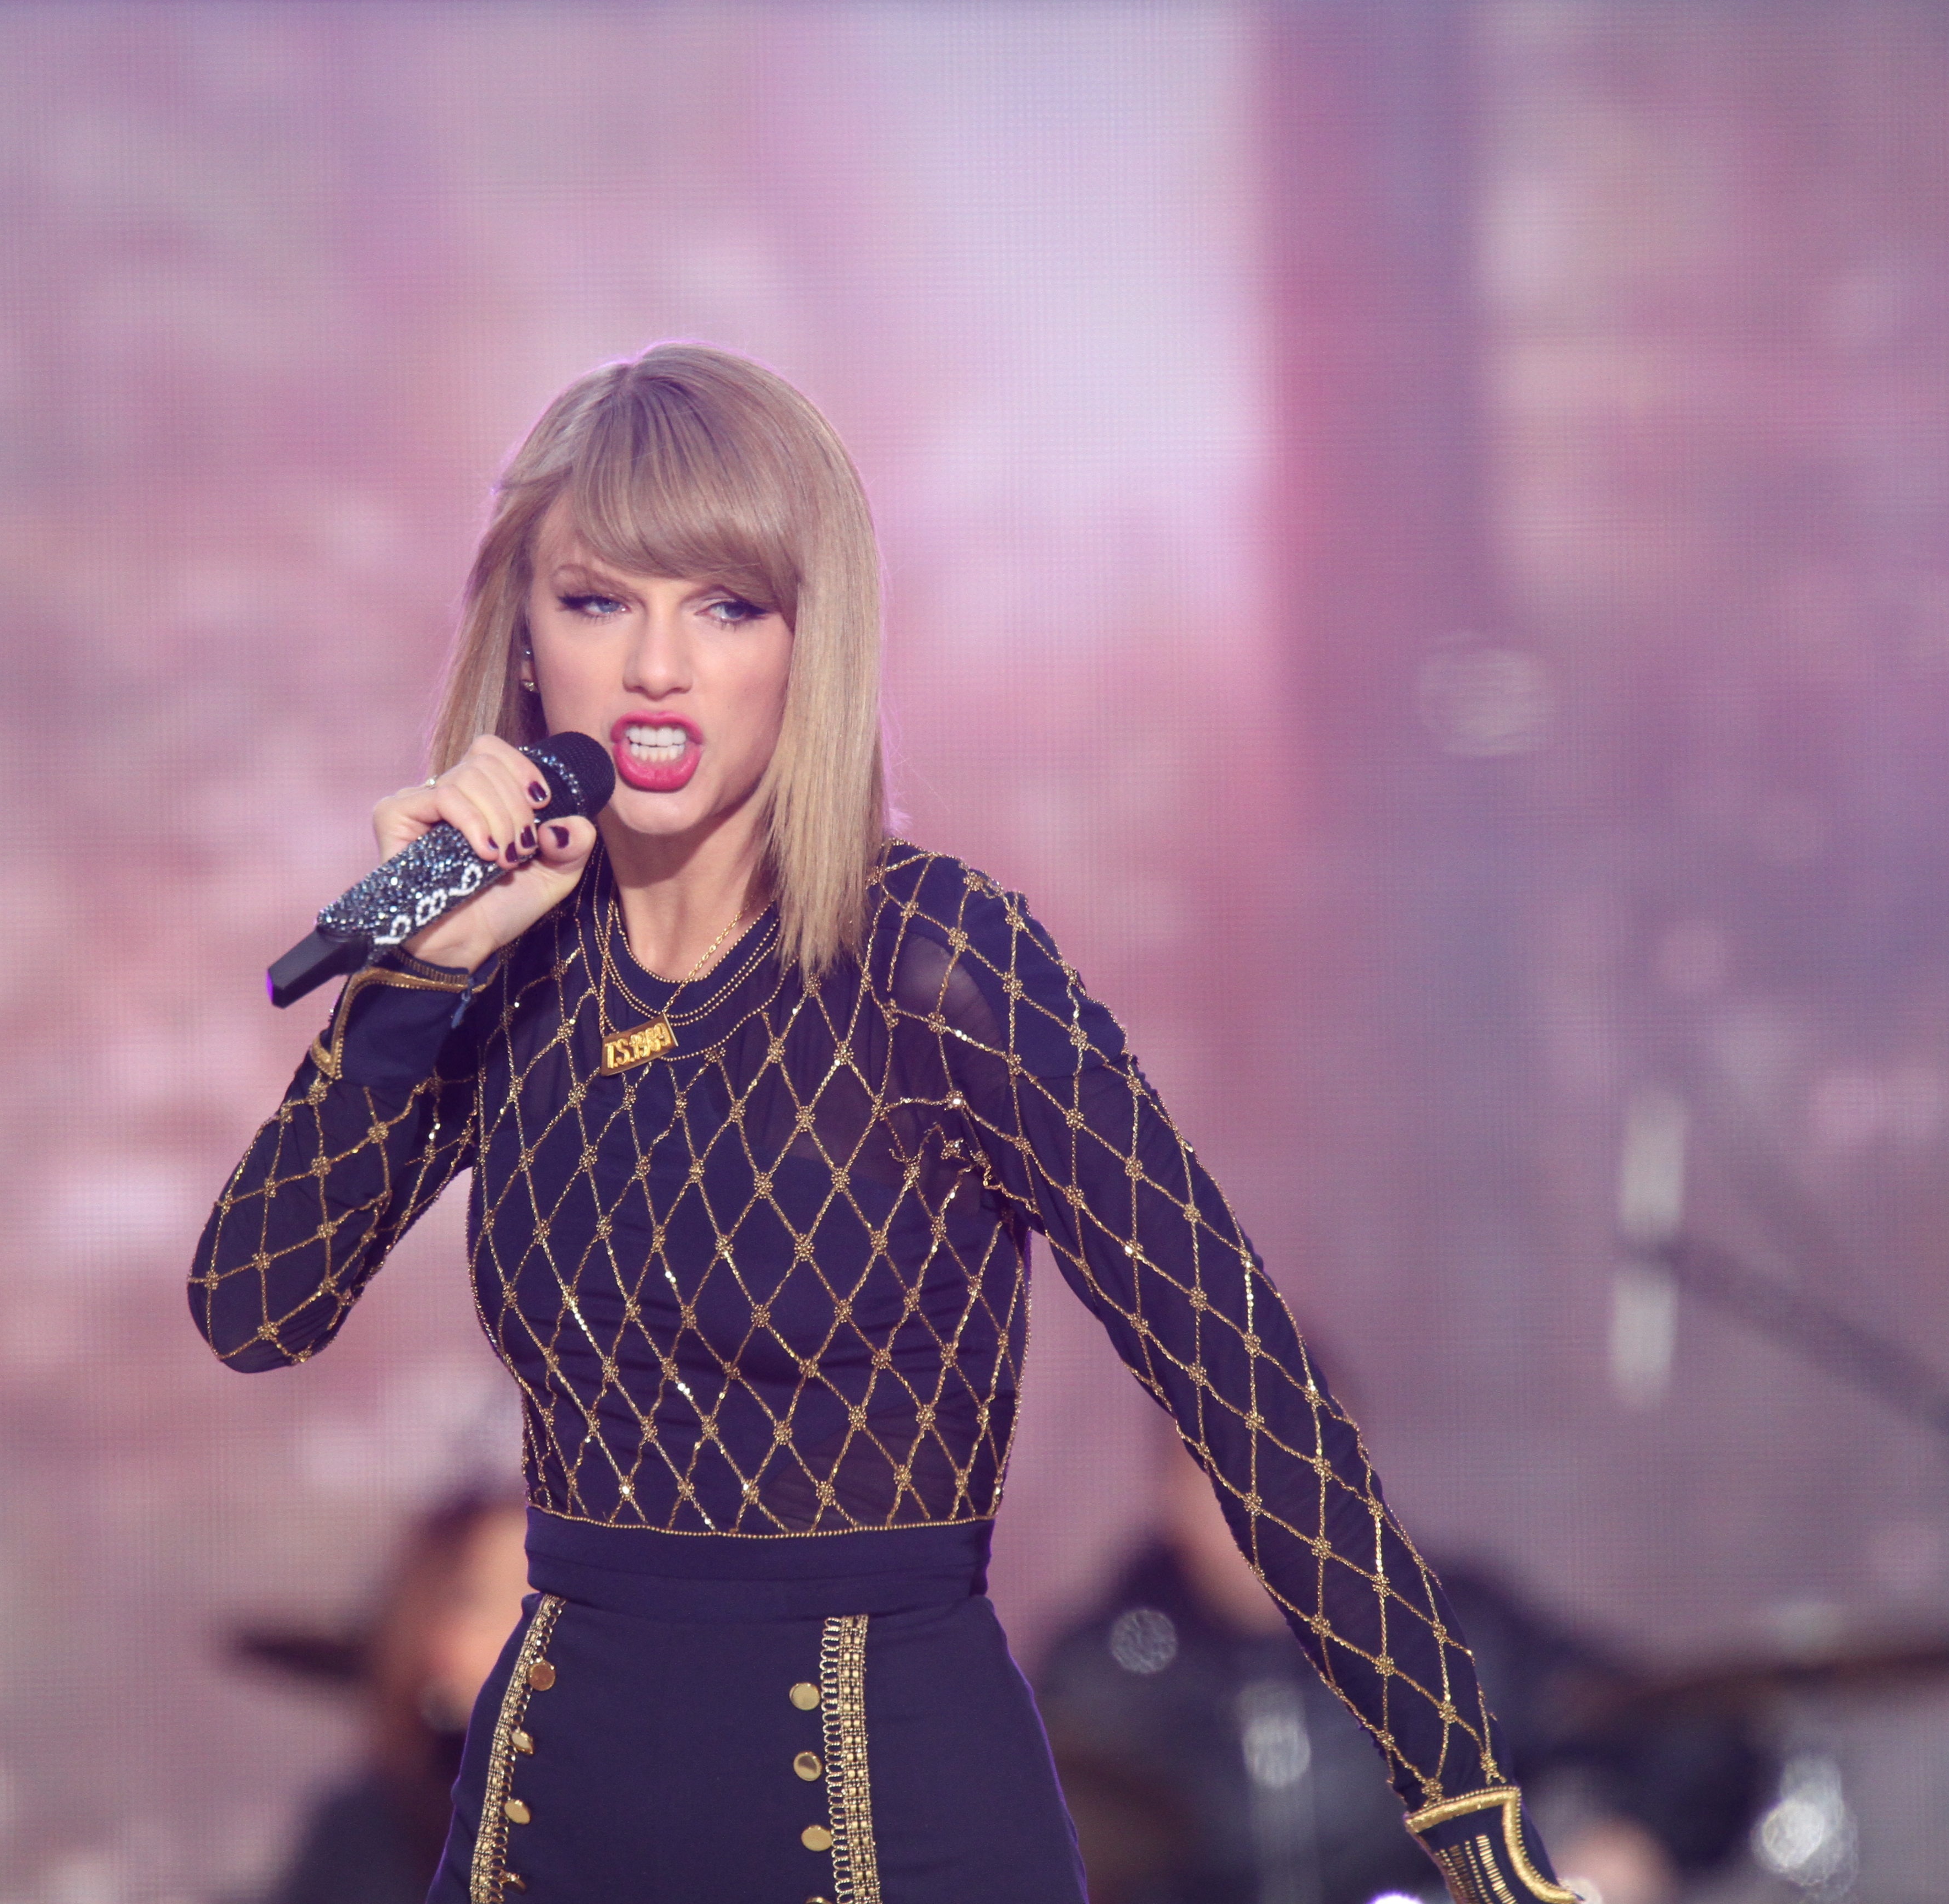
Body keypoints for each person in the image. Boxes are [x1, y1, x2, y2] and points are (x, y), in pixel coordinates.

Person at [190, 343, 1578, 1904]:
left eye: (725, 606)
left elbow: (1243, 1383)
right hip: (546, 1830)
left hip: (886, 1824)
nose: (658, 667)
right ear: (525, 636)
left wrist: (1473, 1813)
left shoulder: (933, 964)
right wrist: (415, 978)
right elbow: (252, 1306)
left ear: (813, 639)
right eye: (597, 602)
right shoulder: (503, 971)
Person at [1033, 1436, 1764, 1904]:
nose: (1270, 1510)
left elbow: (1689, 1737)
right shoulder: (1100, 1674)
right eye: (1226, 1475)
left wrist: (1639, 1845)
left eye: (1301, 1469)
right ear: (1170, 1493)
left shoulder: (1450, 1632)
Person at [250, 1494, 535, 1904]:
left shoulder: (617, 1811)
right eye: (480, 1601)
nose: (526, 1633)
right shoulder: (370, 1834)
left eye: (546, 1599)